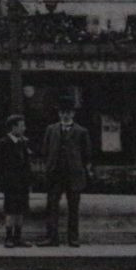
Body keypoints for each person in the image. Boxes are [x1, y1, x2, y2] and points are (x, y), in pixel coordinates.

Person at [39, 97, 94, 247]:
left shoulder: (82, 131)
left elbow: (87, 154)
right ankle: (52, 238)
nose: (65, 115)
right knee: (51, 207)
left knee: (74, 208)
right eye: (62, 112)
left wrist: (80, 168)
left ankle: (73, 238)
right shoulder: (51, 130)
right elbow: (45, 150)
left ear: (73, 114)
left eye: (68, 112)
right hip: (55, 174)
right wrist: (49, 167)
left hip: (74, 175)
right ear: (59, 114)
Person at [0, 114, 33, 247]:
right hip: (10, 183)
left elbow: (27, 163)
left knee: (21, 210)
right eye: (22, 126)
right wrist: (2, 181)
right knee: (10, 210)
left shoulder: (23, 142)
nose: (24, 128)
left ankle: (18, 237)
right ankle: (9, 237)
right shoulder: (3, 143)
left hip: (23, 183)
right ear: (14, 127)